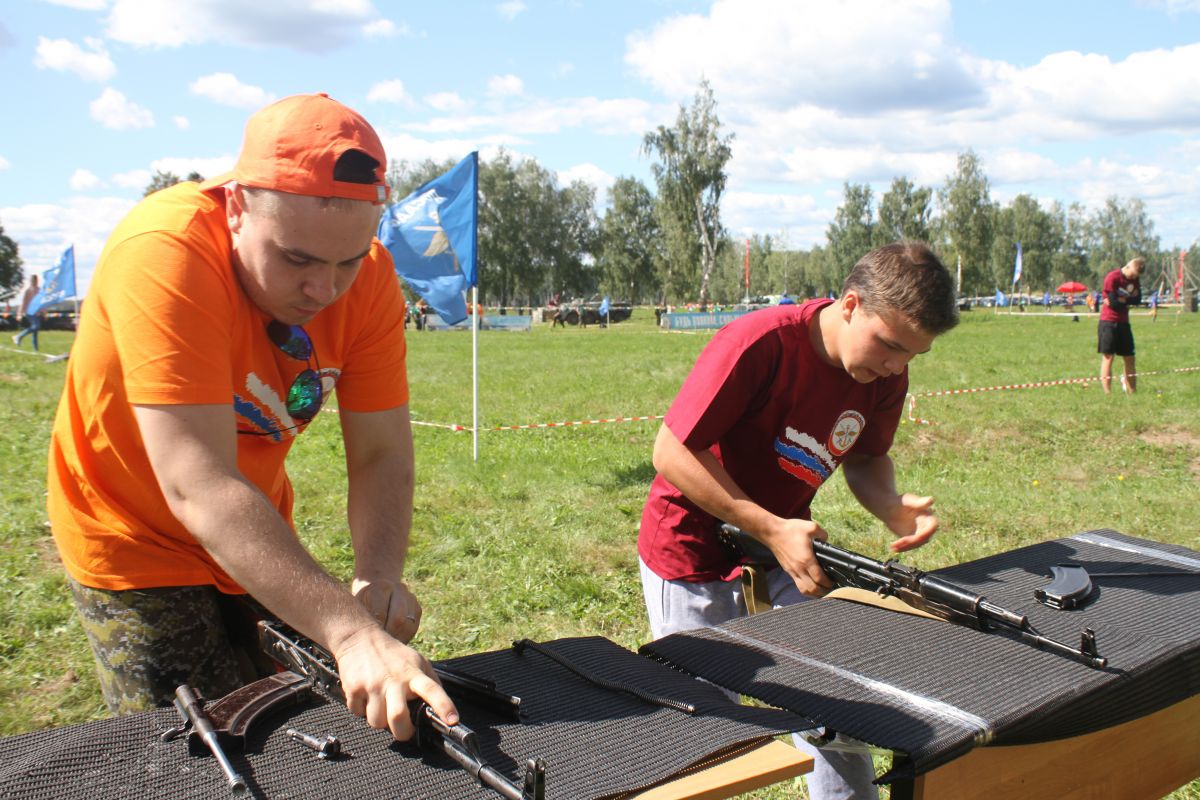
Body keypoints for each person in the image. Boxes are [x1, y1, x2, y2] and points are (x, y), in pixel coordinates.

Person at [46, 93, 458, 740]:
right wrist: (349, 632)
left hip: (251, 522)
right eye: (296, 259)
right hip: (132, 534)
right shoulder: (166, 251)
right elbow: (198, 484)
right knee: (194, 753)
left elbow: (381, 451)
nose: (324, 291)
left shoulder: (371, 278)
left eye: (347, 260)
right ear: (236, 207)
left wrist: (377, 577)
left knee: (302, 728)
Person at [638, 242, 959, 800]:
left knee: (836, 703)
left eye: (912, 356)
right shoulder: (759, 343)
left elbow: (864, 457)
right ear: (852, 304)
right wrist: (767, 525)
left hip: (784, 550)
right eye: (890, 346)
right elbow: (671, 451)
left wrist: (888, 503)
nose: (896, 366)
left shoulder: (884, 375)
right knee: (707, 732)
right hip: (690, 552)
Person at [1098, 257, 1144, 394]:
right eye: (1133, 274)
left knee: (1130, 357)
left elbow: (1138, 300)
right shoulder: (1112, 277)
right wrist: (1125, 300)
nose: (1134, 278)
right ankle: (1108, 393)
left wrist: (1123, 300)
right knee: (1108, 357)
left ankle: (1132, 391)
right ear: (1128, 266)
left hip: (1124, 323)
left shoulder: (1135, 280)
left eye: (1136, 276)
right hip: (1108, 322)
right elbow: (1112, 303)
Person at [13, 274, 42, 350]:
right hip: (29, 312)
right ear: (31, 281)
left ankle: (35, 349)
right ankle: (19, 336)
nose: (35, 282)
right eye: (33, 280)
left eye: (36, 280)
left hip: (37, 312)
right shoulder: (28, 290)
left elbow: (41, 302)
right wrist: (19, 314)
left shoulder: (39, 290)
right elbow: (24, 302)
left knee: (35, 331)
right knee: (36, 326)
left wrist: (44, 311)